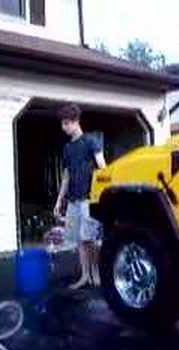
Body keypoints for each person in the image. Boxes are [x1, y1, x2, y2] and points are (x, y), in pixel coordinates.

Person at [54, 103, 106, 289]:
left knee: (90, 239)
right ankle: (85, 276)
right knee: (80, 241)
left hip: (88, 199)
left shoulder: (91, 142)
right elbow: (66, 175)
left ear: (76, 122)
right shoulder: (67, 148)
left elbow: (103, 169)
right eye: (62, 123)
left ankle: (96, 274)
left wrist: (101, 195)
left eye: (67, 123)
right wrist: (60, 200)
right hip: (73, 200)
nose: (64, 127)